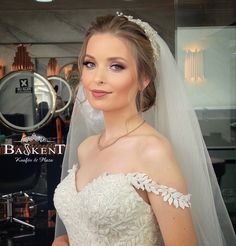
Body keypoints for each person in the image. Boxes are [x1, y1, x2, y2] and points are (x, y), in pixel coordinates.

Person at [52, 13, 236, 246]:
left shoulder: (153, 152)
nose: (97, 77)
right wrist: (63, 240)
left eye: (116, 66)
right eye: (90, 63)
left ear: (144, 78)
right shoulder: (86, 148)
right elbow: (88, 226)